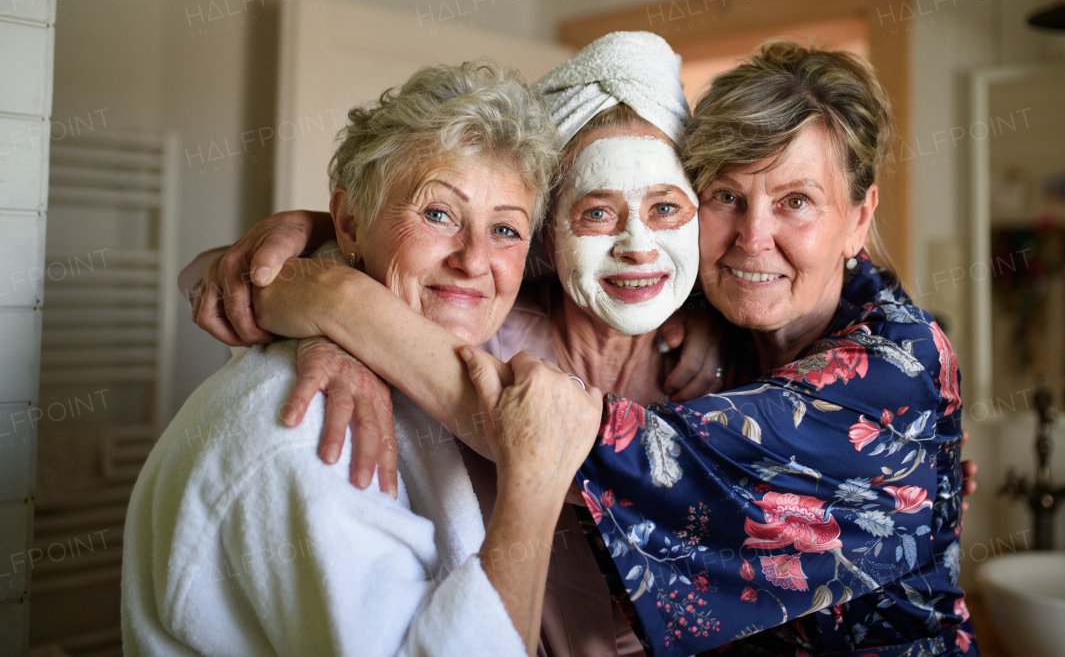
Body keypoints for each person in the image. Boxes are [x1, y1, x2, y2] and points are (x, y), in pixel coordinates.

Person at [193, 40, 978, 655]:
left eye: (797, 201)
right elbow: (440, 246)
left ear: (860, 215)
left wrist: (337, 302)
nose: (753, 237)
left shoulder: (895, 370)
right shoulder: (713, 310)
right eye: (725, 198)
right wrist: (321, 247)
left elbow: (565, 436)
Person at [123, 63, 603, 657]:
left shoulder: (415, 372)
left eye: (506, 229)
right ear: (349, 221)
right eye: (437, 214)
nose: (475, 261)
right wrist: (534, 481)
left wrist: (334, 300)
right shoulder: (309, 433)